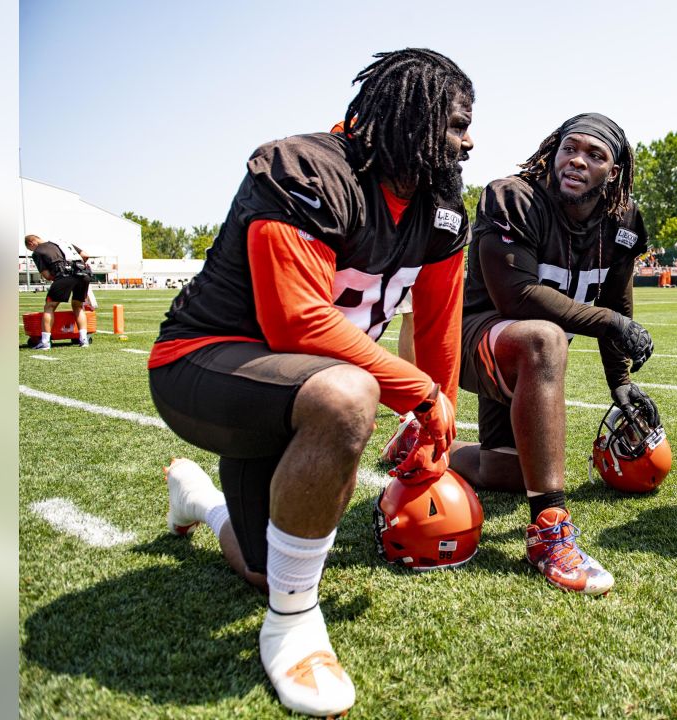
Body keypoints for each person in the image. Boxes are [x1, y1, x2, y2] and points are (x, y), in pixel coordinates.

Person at [146, 49, 474, 716]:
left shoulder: (441, 210)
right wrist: (418, 394)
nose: (470, 140)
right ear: (409, 115)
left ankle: (200, 502)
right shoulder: (306, 168)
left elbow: (439, 327)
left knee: (266, 564)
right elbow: (296, 321)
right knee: (348, 393)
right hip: (201, 367)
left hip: (295, 392)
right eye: (458, 122)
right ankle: (294, 626)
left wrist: (435, 422)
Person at [446, 113, 656, 595]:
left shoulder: (622, 220)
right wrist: (609, 323)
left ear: (614, 172)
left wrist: (619, 380)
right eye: (570, 148)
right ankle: (550, 529)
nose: (577, 160)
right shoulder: (514, 197)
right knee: (545, 336)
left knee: (508, 472)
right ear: (553, 150)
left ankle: (434, 451)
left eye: (595, 155)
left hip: (527, 360)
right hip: (480, 340)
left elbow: (616, 298)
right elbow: (515, 297)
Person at [24, 234, 93, 349]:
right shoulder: (62, 242)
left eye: (30, 248)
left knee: (49, 306)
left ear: (32, 243)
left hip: (64, 275)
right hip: (83, 274)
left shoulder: (37, 251)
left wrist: (58, 279)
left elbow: (46, 275)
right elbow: (85, 255)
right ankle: (84, 340)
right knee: (78, 306)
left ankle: (45, 342)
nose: (32, 250)